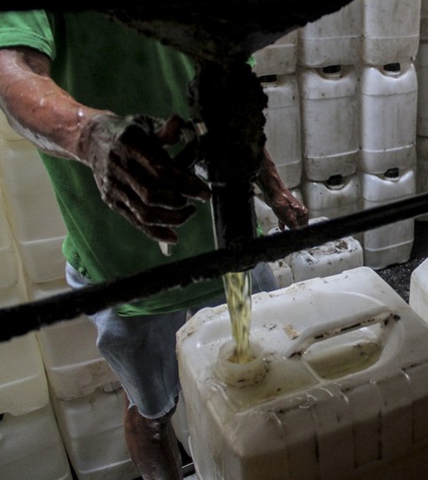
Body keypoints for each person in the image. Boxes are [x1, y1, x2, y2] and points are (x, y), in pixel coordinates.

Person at [0, 10, 308, 480]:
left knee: (266, 376)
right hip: (126, 262)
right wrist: (89, 134)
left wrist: (274, 188)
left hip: (228, 240)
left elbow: (230, 95)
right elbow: (11, 69)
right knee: (153, 411)